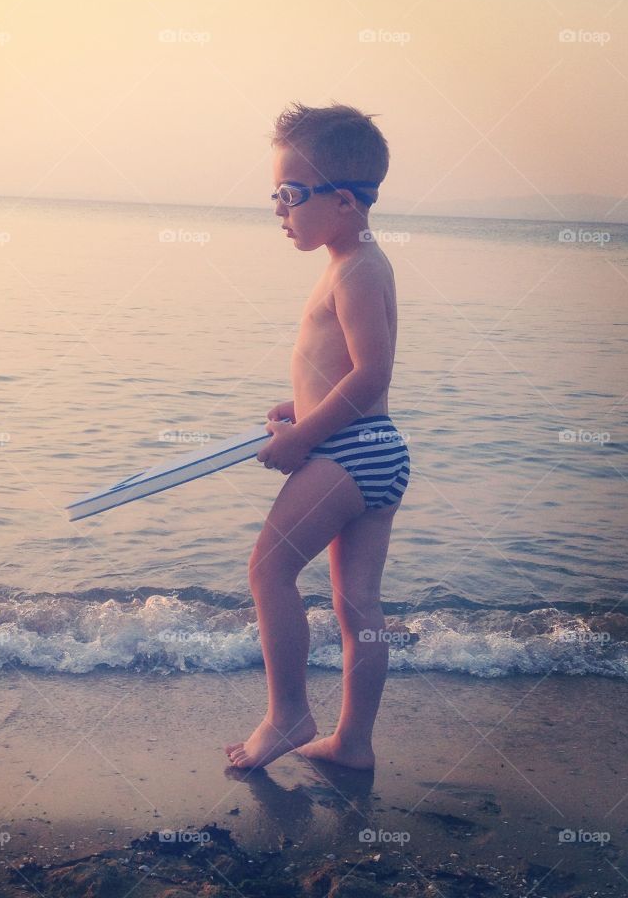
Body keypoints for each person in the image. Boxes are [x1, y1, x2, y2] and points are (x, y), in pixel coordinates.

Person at [224, 102, 410, 771]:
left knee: (269, 569)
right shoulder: (356, 261)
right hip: (377, 452)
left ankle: (289, 715)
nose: (279, 208)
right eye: (275, 193)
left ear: (343, 201)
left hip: (349, 451)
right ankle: (354, 743)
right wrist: (297, 407)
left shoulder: (356, 269)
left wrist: (303, 438)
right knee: (358, 603)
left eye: (290, 194)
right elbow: (343, 375)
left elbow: (371, 373)